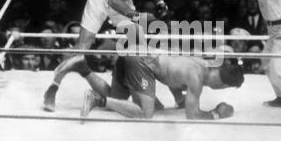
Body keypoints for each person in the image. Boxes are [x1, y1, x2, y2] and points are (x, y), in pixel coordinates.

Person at [43, 0, 185, 110]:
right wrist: (140, 16)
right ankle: (53, 88)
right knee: (84, 44)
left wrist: (160, 4)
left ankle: (147, 92)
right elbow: (113, 1)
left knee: (138, 38)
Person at [46, 53, 244, 120]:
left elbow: (174, 79)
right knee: (145, 113)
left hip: (134, 57)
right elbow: (192, 116)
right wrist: (217, 113)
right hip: (141, 63)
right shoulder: (197, 79)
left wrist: (180, 99)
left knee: (118, 101)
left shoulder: (199, 63)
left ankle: (82, 67)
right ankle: (97, 100)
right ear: (223, 84)